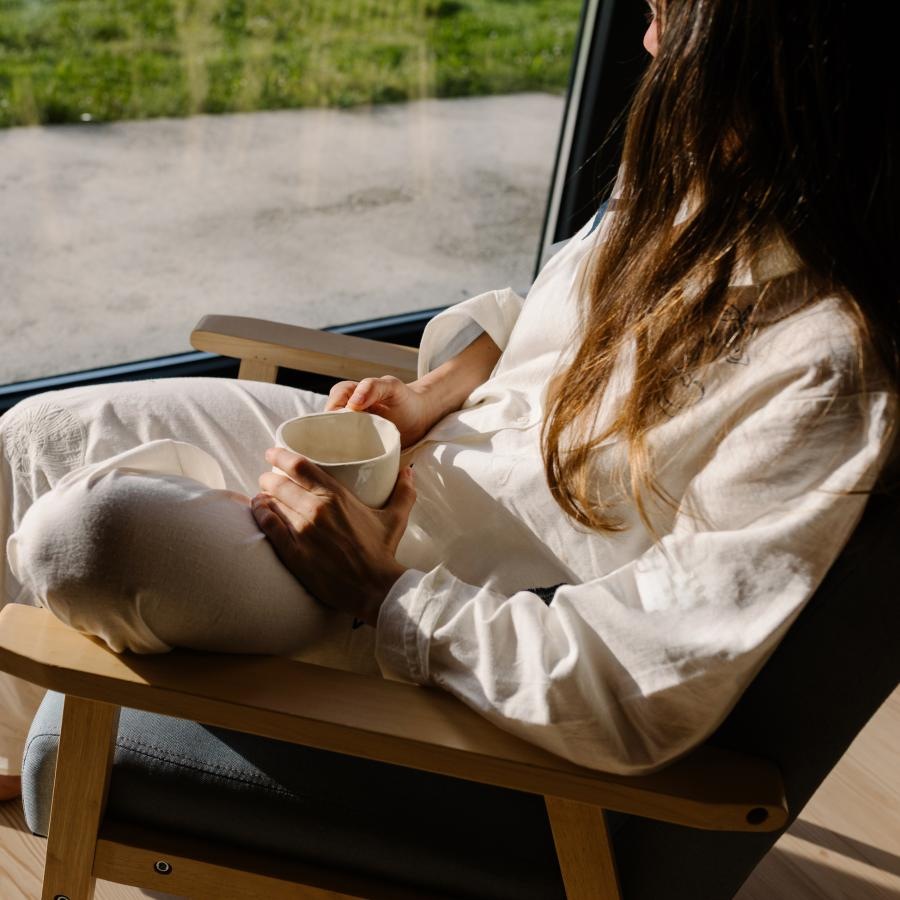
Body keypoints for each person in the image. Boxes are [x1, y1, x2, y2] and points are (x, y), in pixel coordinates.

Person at [1, 0, 897, 806]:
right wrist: (431, 394)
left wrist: (378, 588)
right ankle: (11, 755)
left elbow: (638, 689)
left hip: (434, 594)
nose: (647, 37)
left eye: (669, 13)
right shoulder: (695, 188)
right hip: (413, 463)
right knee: (29, 434)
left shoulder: (822, 371)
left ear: (763, 59)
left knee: (82, 538)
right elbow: (541, 321)